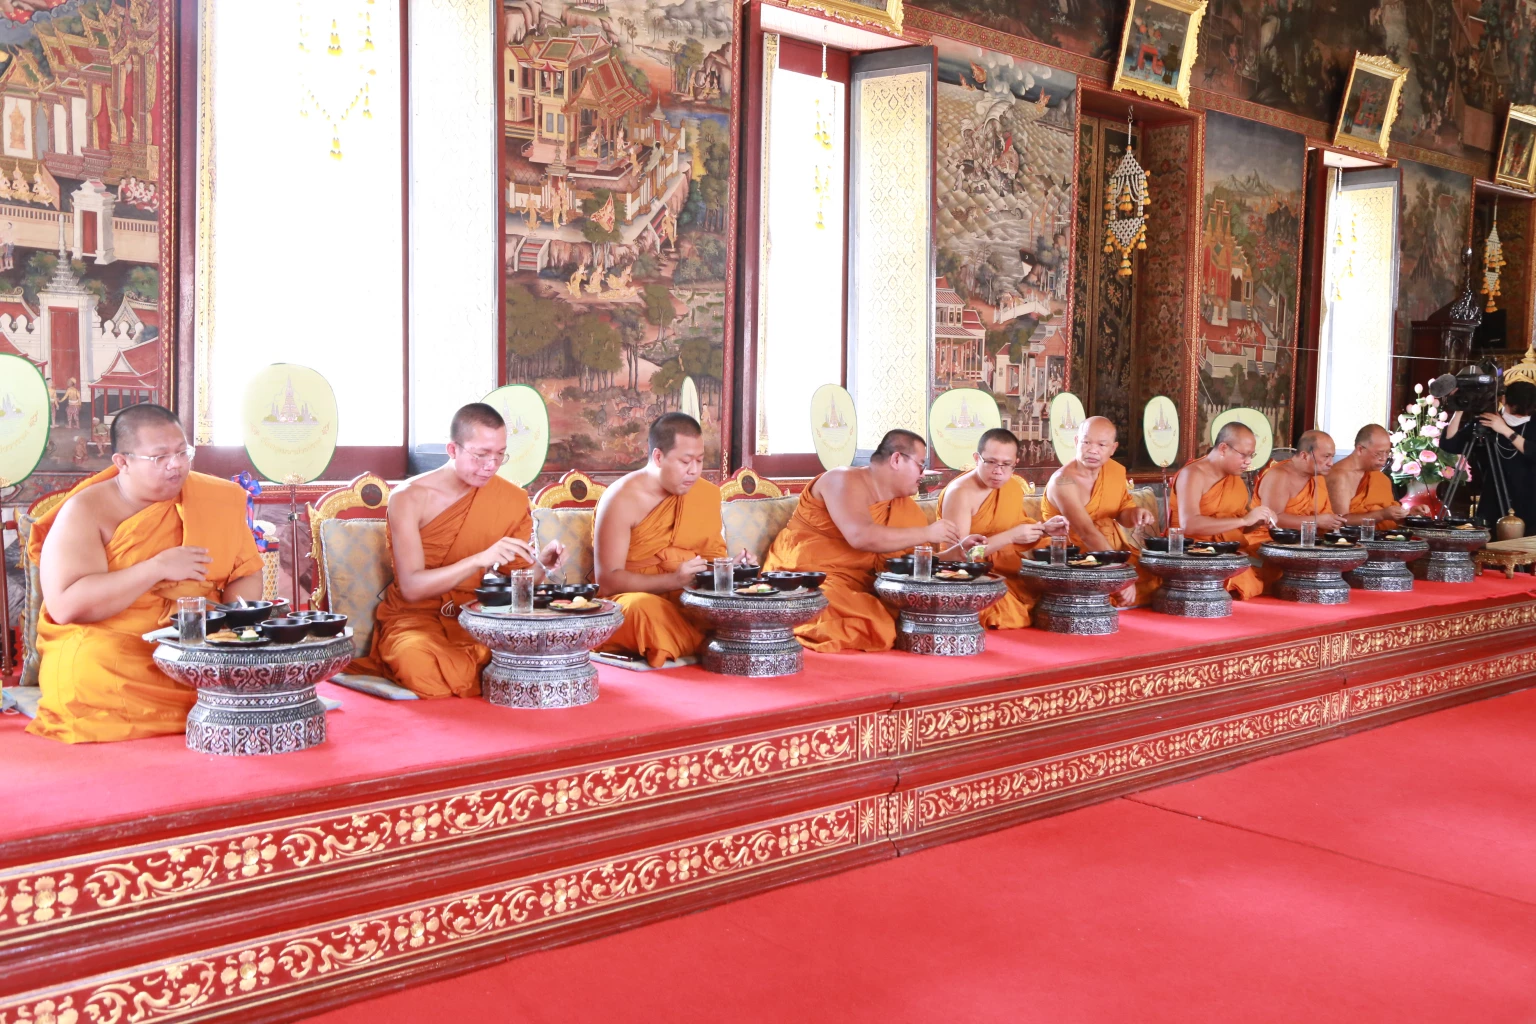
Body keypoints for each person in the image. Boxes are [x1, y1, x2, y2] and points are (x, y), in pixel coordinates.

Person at [29, 404, 265, 743]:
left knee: (261, 660)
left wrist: (230, 628)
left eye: (183, 453)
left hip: (200, 645)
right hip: (117, 646)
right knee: (85, 668)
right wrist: (156, 568)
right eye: (159, 457)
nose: (176, 465)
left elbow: (246, 572)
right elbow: (67, 605)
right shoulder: (86, 510)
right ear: (122, 462)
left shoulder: (218, 498)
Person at [358, 403, 565, 698]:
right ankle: (494, 678)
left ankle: (492, 673)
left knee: (541, 646)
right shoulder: (409, 498)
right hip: (416, 619)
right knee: (416, 660)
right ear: (453, 450)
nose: (491, 465)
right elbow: (413, 588)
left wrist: (543, 566)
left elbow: (520, 586)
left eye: (499, 455)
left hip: (478, 620)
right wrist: (480, 559)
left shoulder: (511, 498)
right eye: (481, 455)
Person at [765, 429, 979, 652]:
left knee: (917, 612)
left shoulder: (901, 505)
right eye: (920, 465)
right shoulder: (842, 479)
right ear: (896, 459)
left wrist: (951, 555)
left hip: (864, 584)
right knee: (876, 623)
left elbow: (899, 562)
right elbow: (861, 536)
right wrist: (927, 533)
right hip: (809, 578)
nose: (922, 474)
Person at [595, 412, 741, 667]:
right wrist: (671, 580)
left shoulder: (706, 495)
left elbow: (710, 560)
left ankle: (717, 638)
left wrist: (730, 568)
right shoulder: (621, 499)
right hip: (636, 597)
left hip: (690, 599)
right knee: (642, 610)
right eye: (685, 461)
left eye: (700, 460)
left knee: (745, 601)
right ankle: (718, 641)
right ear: (659, 457)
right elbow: (608, 580)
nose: (694, 471)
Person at [938, 426, 1067, 628]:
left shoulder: (1012, 487)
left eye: (1006, 464)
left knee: (1057, 566)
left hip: (1006, 567)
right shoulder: (960, 493)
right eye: (990, 462)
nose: (998, 471)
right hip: (970, 575)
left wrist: (1044, 529)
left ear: (1015, 463)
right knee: (1009, 613)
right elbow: (959, 555)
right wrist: (1010, 536)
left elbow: (1017, 526)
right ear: (976, 458)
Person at [1040, 416, 1157, 606]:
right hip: (1074, 557)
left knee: (1157, 579)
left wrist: (1134, 513)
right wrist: (1118, 575)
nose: (1093, 450)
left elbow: (1122, 512)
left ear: (1113, 448)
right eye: (1086, 442)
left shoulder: (1115, 471)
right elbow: (1086, 532)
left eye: (1102, 445)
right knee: (1097, 590)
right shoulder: (1063, 482)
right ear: (1077, 441)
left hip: (1110, 551)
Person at [1170, 422, 1276, 599]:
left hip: (1225, 551)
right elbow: (1188, 525)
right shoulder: (1193, 474)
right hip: (1190, 551)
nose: (1248, 462)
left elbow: (1237, 527)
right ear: (1224, 448)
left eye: (1252, 455)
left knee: (1271, 575)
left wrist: (1257, 520)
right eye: (1244, 455)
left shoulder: (1234, 479)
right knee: (1245, 583)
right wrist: (1244, 521)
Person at [1441, 381, 1536, 533]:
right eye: (1517, 410)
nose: (1521, 415)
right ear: (1504, 400)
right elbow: (1450, 444)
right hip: (1493, 498)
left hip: (1530, 500)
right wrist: (1459, 410)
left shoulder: (1532, 422)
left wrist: (1505, 430)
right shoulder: (1487, 420)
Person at [1255, 430, 1346, 531]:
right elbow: (1273, 520)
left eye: (1332, 457)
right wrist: (1315, 522)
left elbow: (1325, 515)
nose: (1331, 463)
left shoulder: (1318, 477)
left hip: (1308, 541)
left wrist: (1334, 522)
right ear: (1304, 456)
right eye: (1326, 457)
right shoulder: (1279, 476)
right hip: (1270, 541)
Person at [1327, 424, 1406, 529]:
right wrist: (1381, 515)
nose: (1383, 458)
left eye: (1387, 453)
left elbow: (1389, 513)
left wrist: (1407, 514)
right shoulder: (1340, 476)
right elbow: (1340, 521)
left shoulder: (1379, 476)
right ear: (1360, 449)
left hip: (1385, 539)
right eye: (1378, 453)